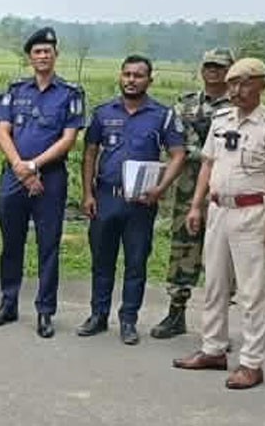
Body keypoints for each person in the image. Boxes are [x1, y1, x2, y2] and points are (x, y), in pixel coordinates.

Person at [172, 57, 265, 390]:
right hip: (218, 210)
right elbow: (208, 165)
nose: (236, 90)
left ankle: (252, 363)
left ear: (262, 85)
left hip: (252, 212)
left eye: (244, 83)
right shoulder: (221, 119)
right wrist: (196, 206)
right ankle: (212, 349)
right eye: (232, 83)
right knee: (215, 284)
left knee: (253, 291)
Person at [78, 55, 185, 344]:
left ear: (149, 80)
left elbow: (178, 154)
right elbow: (89, 153)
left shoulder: (162, 115)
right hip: (106, 198)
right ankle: (98, 315)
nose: (131, 80)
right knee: (102, 260)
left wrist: (161, 188)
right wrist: (87, 193)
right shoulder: (103, 113)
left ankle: (128, 320)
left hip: (141, 202)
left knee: (136, 262)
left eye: (138, 75)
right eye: (127, 74)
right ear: (120, 76)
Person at [0, 27, 85, 339]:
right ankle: (8, 303)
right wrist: (19, 166)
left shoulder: (70, 93)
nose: (43, 56)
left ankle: (45, 311)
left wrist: (33, 166)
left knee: (48, 247)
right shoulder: (15, 90)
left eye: (48, 51)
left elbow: (68, 139)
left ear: (56, 55)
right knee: (10, 244)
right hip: (14, 176)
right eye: (37, 51)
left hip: (50, 179)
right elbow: (2, 131)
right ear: (29, 57)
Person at [152, 48, 235, 339]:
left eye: (220, 67)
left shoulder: (238, 107)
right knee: (182, 250)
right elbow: (174, 141)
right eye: (209, 66)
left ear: (230, 71)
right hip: (187, 188)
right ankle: (176, 313)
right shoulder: (185, 104)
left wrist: (200, 153)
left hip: (225, 190)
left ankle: (217, 323)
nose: (213, 71)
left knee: (223, 255)